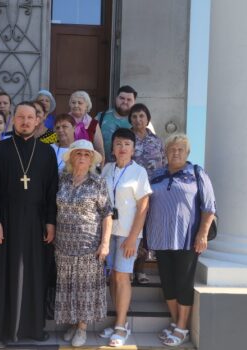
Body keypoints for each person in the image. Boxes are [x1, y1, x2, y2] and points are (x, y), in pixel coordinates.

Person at [0, 101, 59, 347]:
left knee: (34, 274)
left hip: (36, 222)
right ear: (13, 120)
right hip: (5, 221)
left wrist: (51, 222)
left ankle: (33, 328)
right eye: (20, 117)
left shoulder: (46, 151)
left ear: (37, 121)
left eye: (30, 117)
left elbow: (52, 190)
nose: (25, 121)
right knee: (2, 275)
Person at [145, 133, 216, 347]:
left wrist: (202, 234)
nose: (176, 152)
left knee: (183, 283)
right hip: (161, 238)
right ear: (165, 153)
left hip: (187, 239)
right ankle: (177, 324)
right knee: (168, 282)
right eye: (172, 149)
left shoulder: (196, 173)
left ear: (187, 153)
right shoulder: (156, 175)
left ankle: (183, 326)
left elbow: (209, 207)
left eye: (180, 149)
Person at [54, 139, 113, 347]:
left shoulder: (99, 183)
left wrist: (105, 244)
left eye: (86, 155)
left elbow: (107, 215)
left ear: (91, 160)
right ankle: (72, 324)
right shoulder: (61, 180)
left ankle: (82, 328)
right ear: (71, 158)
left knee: (85, 289)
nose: (82, 157)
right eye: (78, 153)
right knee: (68, 287)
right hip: (63, 245)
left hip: (88, 245)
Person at [99, 128, 152, 347]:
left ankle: (121, 326)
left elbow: (143, 207)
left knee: (122, 276)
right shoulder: (107, 169)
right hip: (108, 231)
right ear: (113, 147)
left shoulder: (139, 172)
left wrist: (132, 238)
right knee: (113, 276)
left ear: (133, 148)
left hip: (128, 234)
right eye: (118, 144)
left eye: (127, 144)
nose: (122, 148)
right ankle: (117, 321)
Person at [128, 103, 166, 284]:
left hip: (152, 191)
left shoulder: (157, 141)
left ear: (147, 119)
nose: (138, 120)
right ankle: (127, 268)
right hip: (130, 192)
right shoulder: (126, 138)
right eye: (134, 117)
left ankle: (141, 270)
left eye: (141, 116)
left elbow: (164, 164)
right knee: (131, 228)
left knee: (147, 231)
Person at [96, 86, 136, 162]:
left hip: (128, 169)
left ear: (134, 102)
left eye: (129, 99)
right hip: (103, 168)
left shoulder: (138, 120)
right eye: (122, 98)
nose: (125, 102)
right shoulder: (100, 117)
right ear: (116, 98)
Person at [68, 90, 105, 165]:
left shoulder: (93, 124)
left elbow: (99, 149)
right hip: (67, 162)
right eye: (73, 102)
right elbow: (56, 143)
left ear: (86, 106)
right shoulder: (63, 121)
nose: (76, 105)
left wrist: (100, 170)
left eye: (80, 103)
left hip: (88, 164)